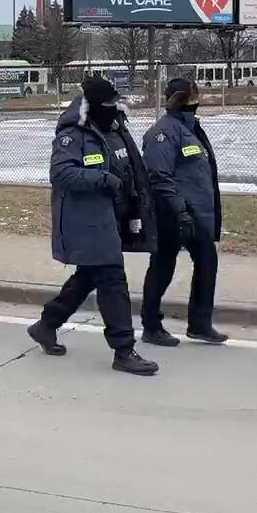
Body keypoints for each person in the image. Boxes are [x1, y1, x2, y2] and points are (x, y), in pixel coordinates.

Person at [26, 77, 160, 376]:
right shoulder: (74, 135)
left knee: (88, 276)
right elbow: (61, 173)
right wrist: (103, 180)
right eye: (108, 105)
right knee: (113, 280)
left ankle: (47, 325)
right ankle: (124, 349)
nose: (114, 109)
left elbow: (132, 166)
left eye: (116, 104)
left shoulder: (114, 129)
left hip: (112, 218)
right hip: (86, 221)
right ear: (93, 105)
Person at [139, 78, 228, 347]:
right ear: (178, 99)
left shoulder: (190, 129)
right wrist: (179, 210)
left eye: (196, 96)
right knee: (163, 266)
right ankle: (151, 325)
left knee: (207, 263)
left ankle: (199, 324)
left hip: (196, 214)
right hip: (172, 213)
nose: (196, 101)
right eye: (191, 97)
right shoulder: (163, 133)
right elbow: (159, 175)